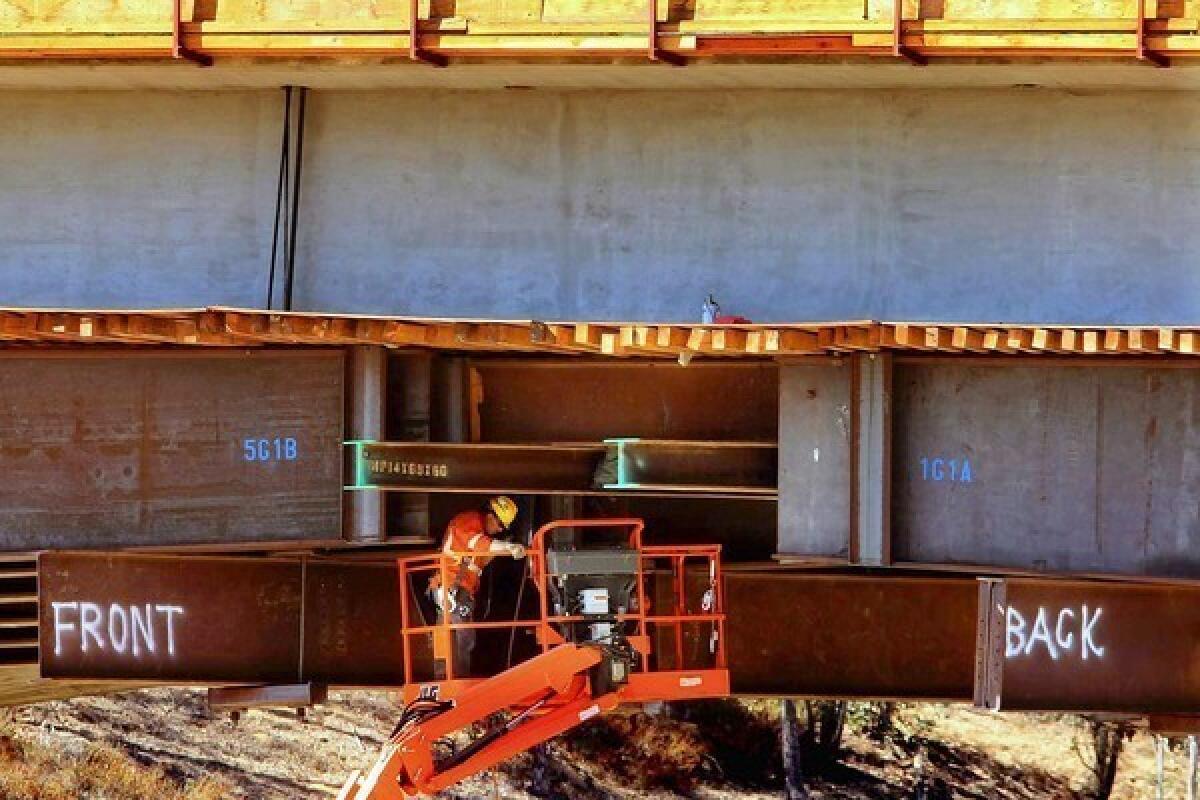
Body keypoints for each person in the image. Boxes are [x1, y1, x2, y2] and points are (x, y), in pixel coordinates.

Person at [430, 495, 526, 678]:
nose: (499, 530)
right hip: (453, 587)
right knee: (461, 639)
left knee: (457, 638)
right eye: (500, 525)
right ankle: (455, 681)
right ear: (491, 515)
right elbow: (480, 544)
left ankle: (451, 679)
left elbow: (479, 557)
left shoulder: (477, 529)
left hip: (458, 588)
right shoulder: (469, 521)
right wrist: (508, 547)